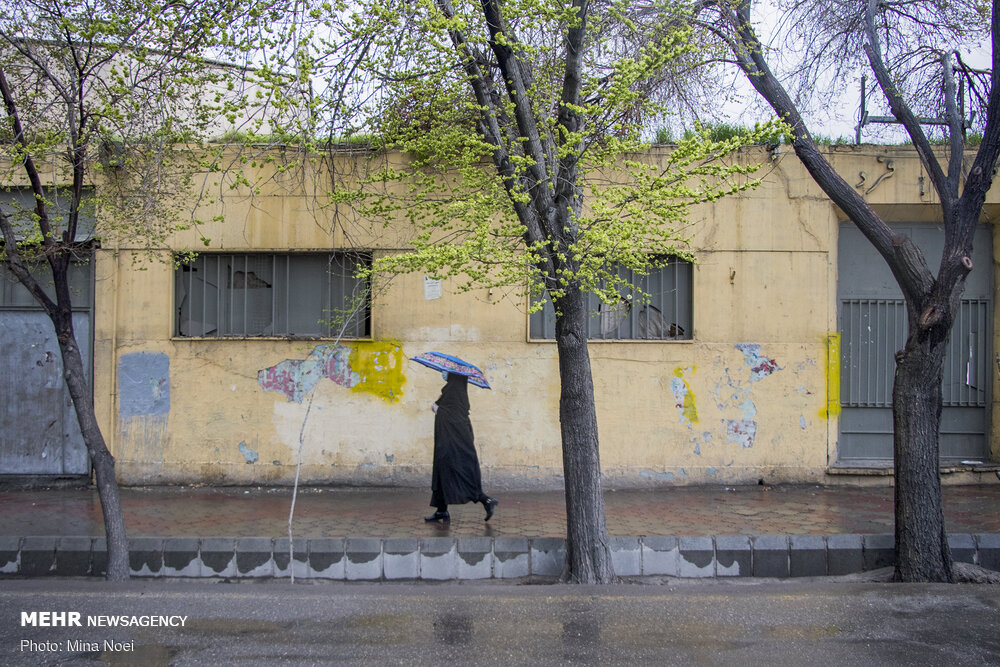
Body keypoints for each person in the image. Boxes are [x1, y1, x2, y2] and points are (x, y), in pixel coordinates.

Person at [425, 372, 498, 523]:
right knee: (442, 475)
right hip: (449, 445)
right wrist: (439, 403)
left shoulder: (452, 395)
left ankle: (486, 500)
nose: (445, 376)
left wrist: (437, 408)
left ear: (453, 379)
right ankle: (441, 511)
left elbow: (447, 415)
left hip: (451, 447)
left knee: (457, 473)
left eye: (448, 376)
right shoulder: (456, 395)